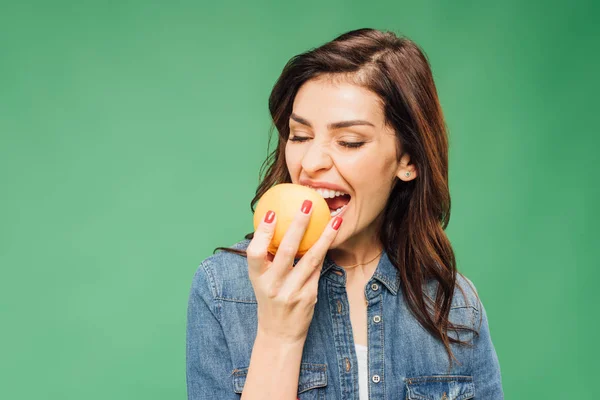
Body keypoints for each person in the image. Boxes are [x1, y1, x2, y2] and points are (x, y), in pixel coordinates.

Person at [186, 28, 503, 399]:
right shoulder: (224, 289)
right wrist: (278, 335)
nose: (311, 163)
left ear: (409, 160)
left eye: (349, 141)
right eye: (300, 136)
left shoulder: (455, 305)